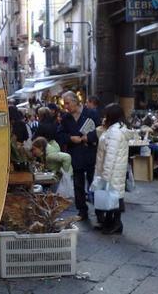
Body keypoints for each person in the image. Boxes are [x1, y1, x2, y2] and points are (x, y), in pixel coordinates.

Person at [58, 91, 100, 221]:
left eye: (67, 103)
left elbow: (100, 130)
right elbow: (60, 135)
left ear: (75, 102)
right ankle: (82, 210)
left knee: (95, 183)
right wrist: (71, 138)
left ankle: (100, 212)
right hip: (76, 154)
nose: (66, 106)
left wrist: (89, 137)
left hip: (91, 153)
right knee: (78, 184)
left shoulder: (91, 113)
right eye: (64, 104)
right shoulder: (66, 118)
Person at [93, 103, 132, 234]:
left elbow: (111, 155)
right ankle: (110, 222)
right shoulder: (115, 129)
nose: (104, 117)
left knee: (113, 197)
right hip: (114, 169)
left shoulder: (115, 132)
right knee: (113, 197)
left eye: (106, 115)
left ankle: (115, 223)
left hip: (112, 170)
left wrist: (106, 175)